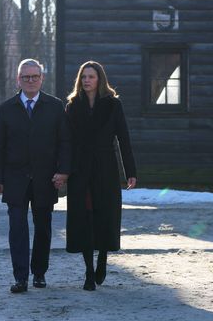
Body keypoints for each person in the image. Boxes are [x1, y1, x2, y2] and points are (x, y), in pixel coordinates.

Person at [0, 59, 71, 293]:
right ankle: (20, 278)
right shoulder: (7, 108)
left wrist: (63, 171)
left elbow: (65, 142)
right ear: (18, 79)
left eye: (35, 76)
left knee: (43, 227)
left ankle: (39, 273)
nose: (30, 81)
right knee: (17, 228)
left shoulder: (55, 107)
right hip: (14, 178)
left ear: (41, 78)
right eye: (26, 77)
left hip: (46, 178)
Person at [65, 61, 137, 291]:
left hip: (106, 167)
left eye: (91, 76)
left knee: (104, 215)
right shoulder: (72, 106)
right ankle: (88, 271)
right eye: (83, 76)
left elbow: (123, 139)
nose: (87, 80)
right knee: (84, 218)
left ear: (100, 79)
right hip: (81, 169)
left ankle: (103, 258)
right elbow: (66, 143)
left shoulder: (113, 105)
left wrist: (131, 172)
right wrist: (64, 170)